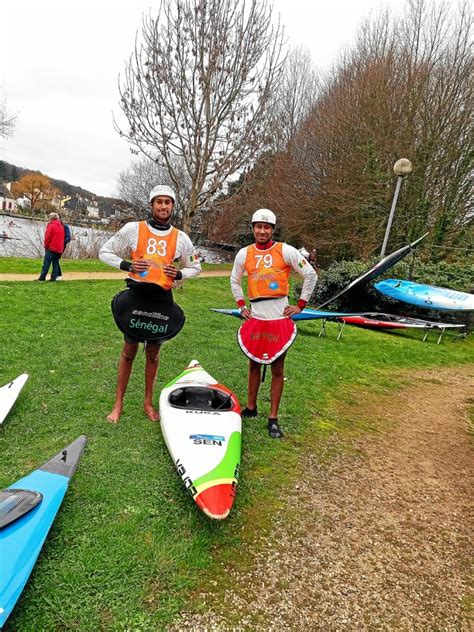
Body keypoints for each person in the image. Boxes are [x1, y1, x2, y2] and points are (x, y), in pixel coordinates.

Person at [99, 185, 201, 423]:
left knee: (153, 355)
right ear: (151, 204)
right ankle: (118, 404)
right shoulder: (133, 229)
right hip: (137, 297)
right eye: (159, 202)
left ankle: (147, 403)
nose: (163, 206)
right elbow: (105, 251)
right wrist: (127, 266)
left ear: (173, 206)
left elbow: (196, 267)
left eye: (168, 202)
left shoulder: (181, 238)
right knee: (128, 352)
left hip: (161, 300)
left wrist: (178, 274)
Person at [231, 209, 317, 438]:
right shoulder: (244, 254)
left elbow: (311, 275)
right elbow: (235, 280)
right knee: (253, 364)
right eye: (258, 226)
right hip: (256, 316)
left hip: (279, 316)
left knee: (278, 368)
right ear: (253, 228)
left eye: (266, 227)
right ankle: (251, 407)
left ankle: (273, 418)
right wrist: (241, 306)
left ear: (272, 230)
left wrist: (300, 305)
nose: (262, 231)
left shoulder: (286, 250)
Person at [36, 212, 65, 281]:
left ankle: (42, 278)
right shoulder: (61, 227)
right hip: (59, 249)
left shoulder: (51, 225)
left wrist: (46, 246)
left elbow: (47, 237)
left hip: (51, 248)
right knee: (55, 264)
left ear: (50, 218)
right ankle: (53, 278)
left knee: (46, 263)